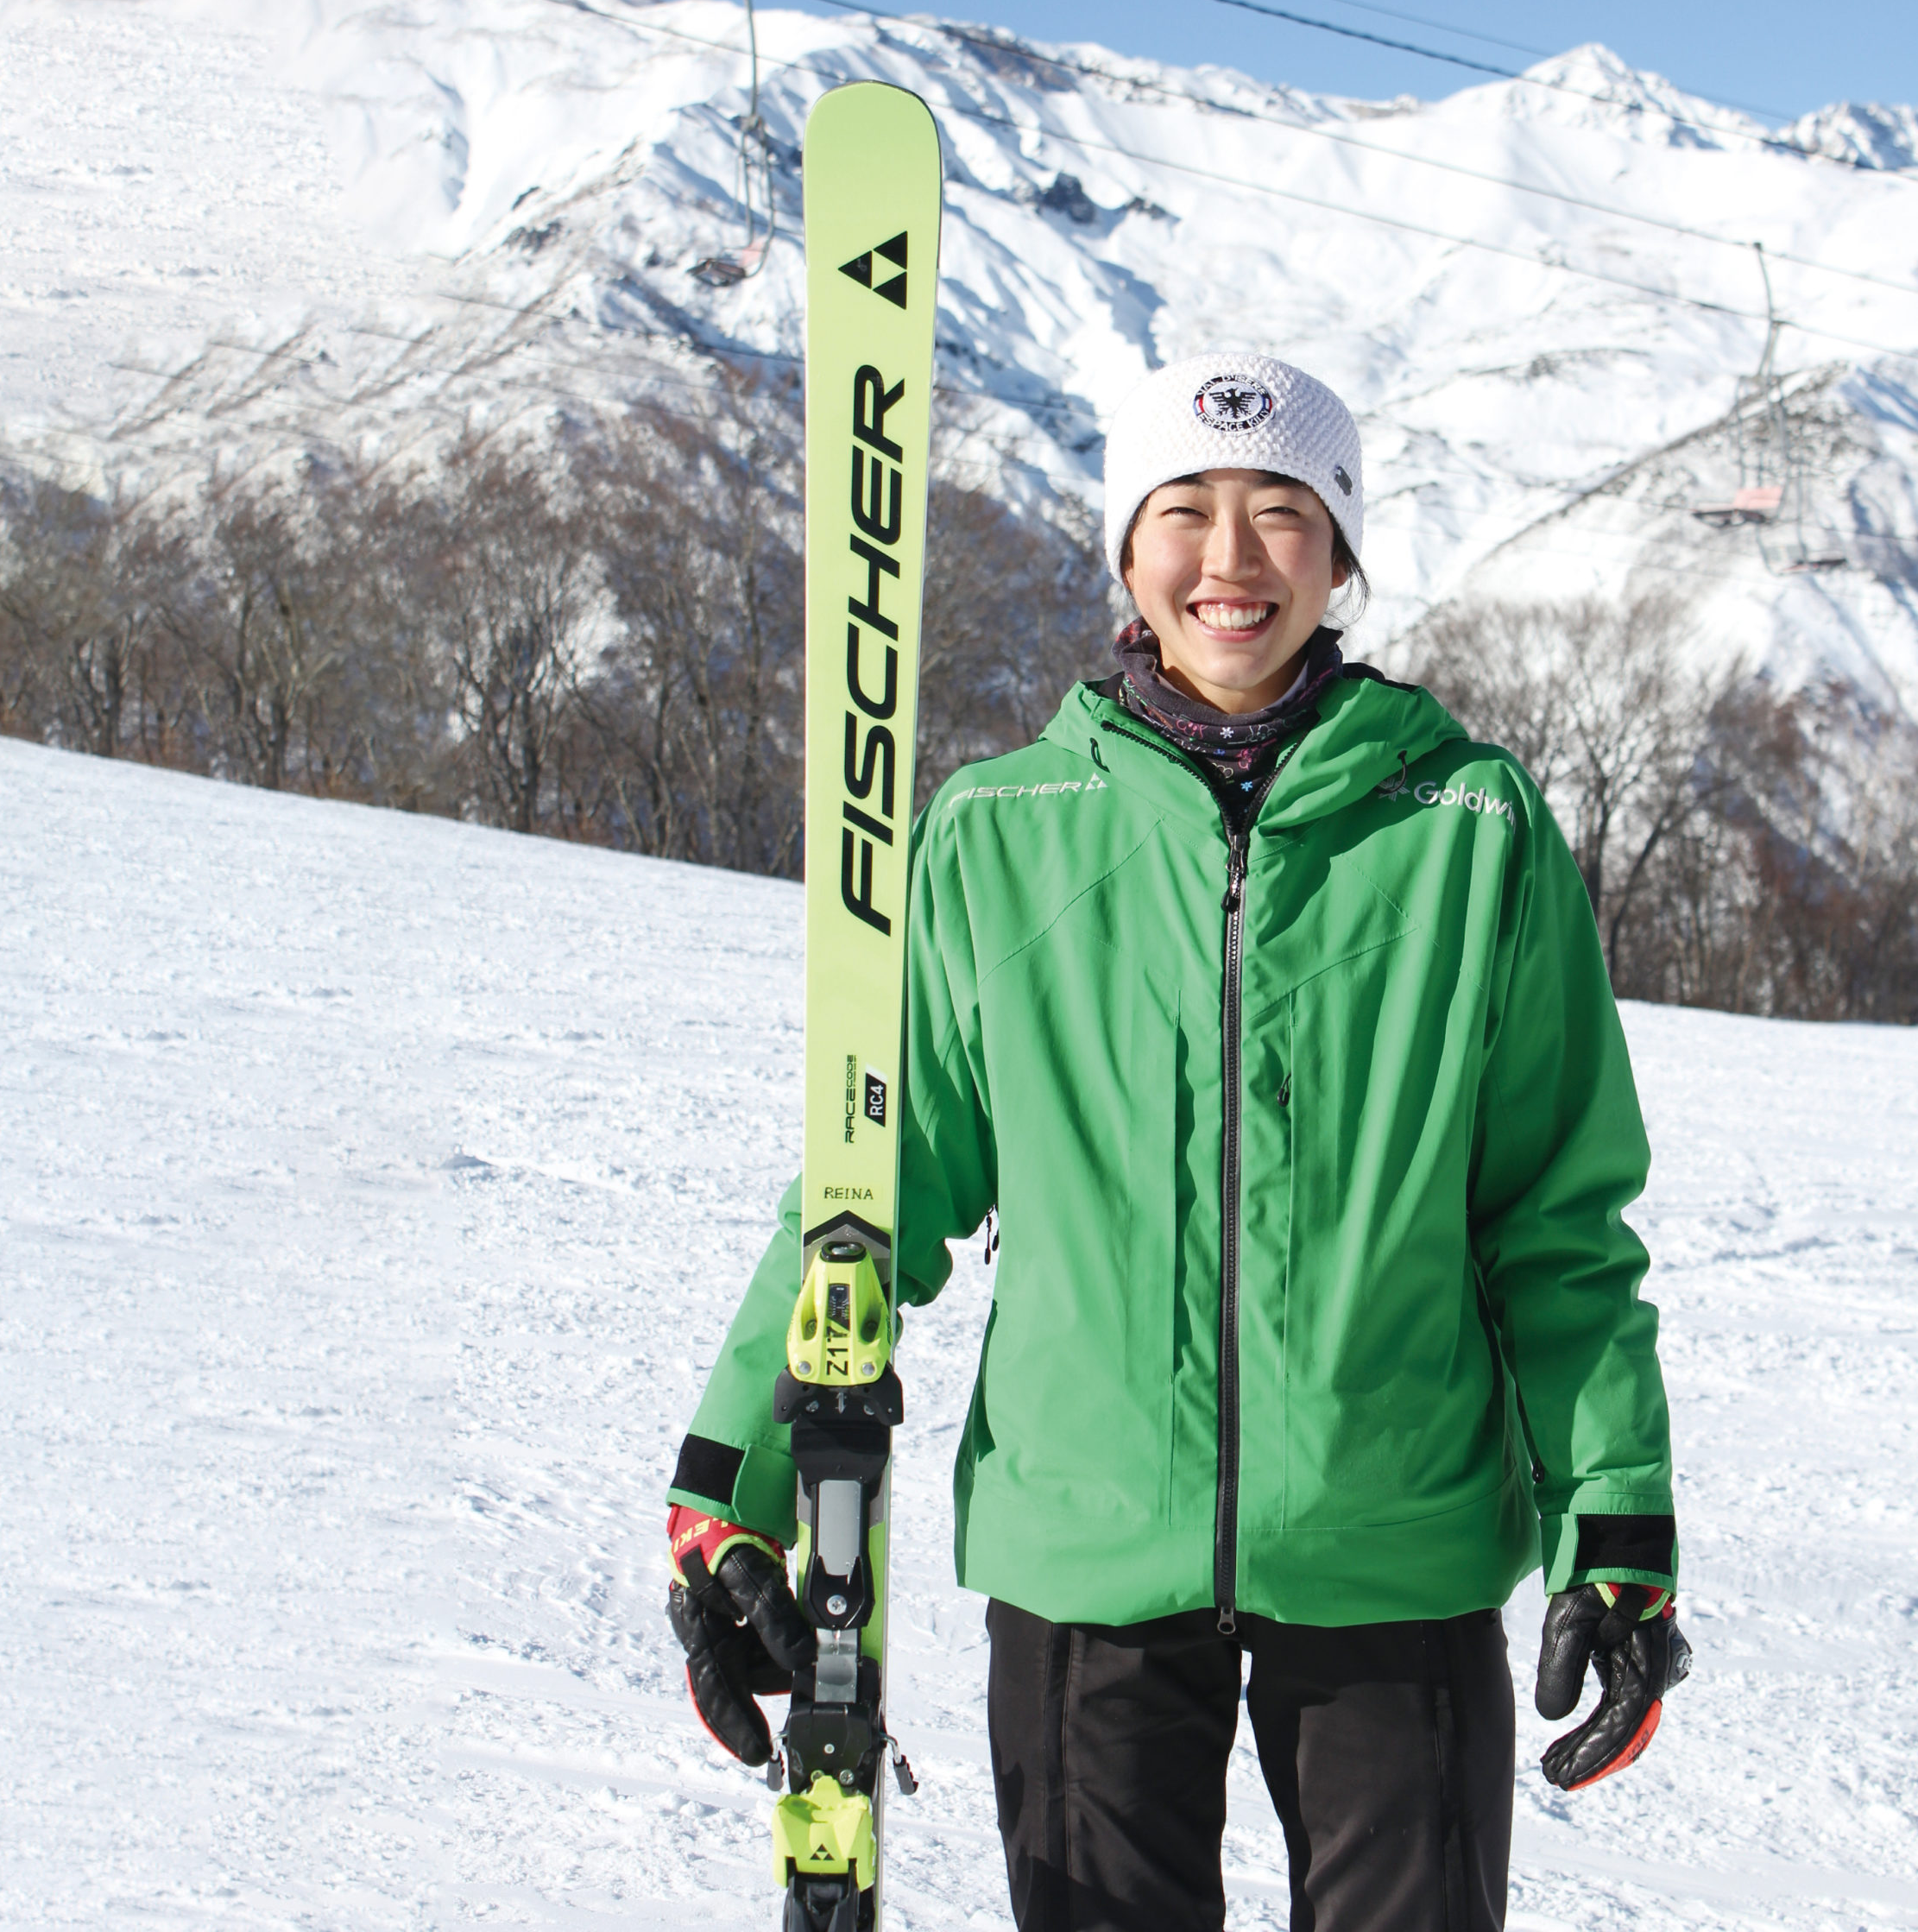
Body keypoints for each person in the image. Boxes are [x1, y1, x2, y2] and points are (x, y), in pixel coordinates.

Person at [666, 350, 1690, 1932]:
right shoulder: (999, 829)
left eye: (1282, 514)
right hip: (1084, 1548)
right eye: (1185, 512)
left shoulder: (1468, 829)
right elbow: (876, 1180)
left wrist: (1613, 1523)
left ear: (1340, 555)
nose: (1231, 560)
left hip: (1392, 1541)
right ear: (1125, 553)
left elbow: (1556, 1221)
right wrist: (727, 1483)